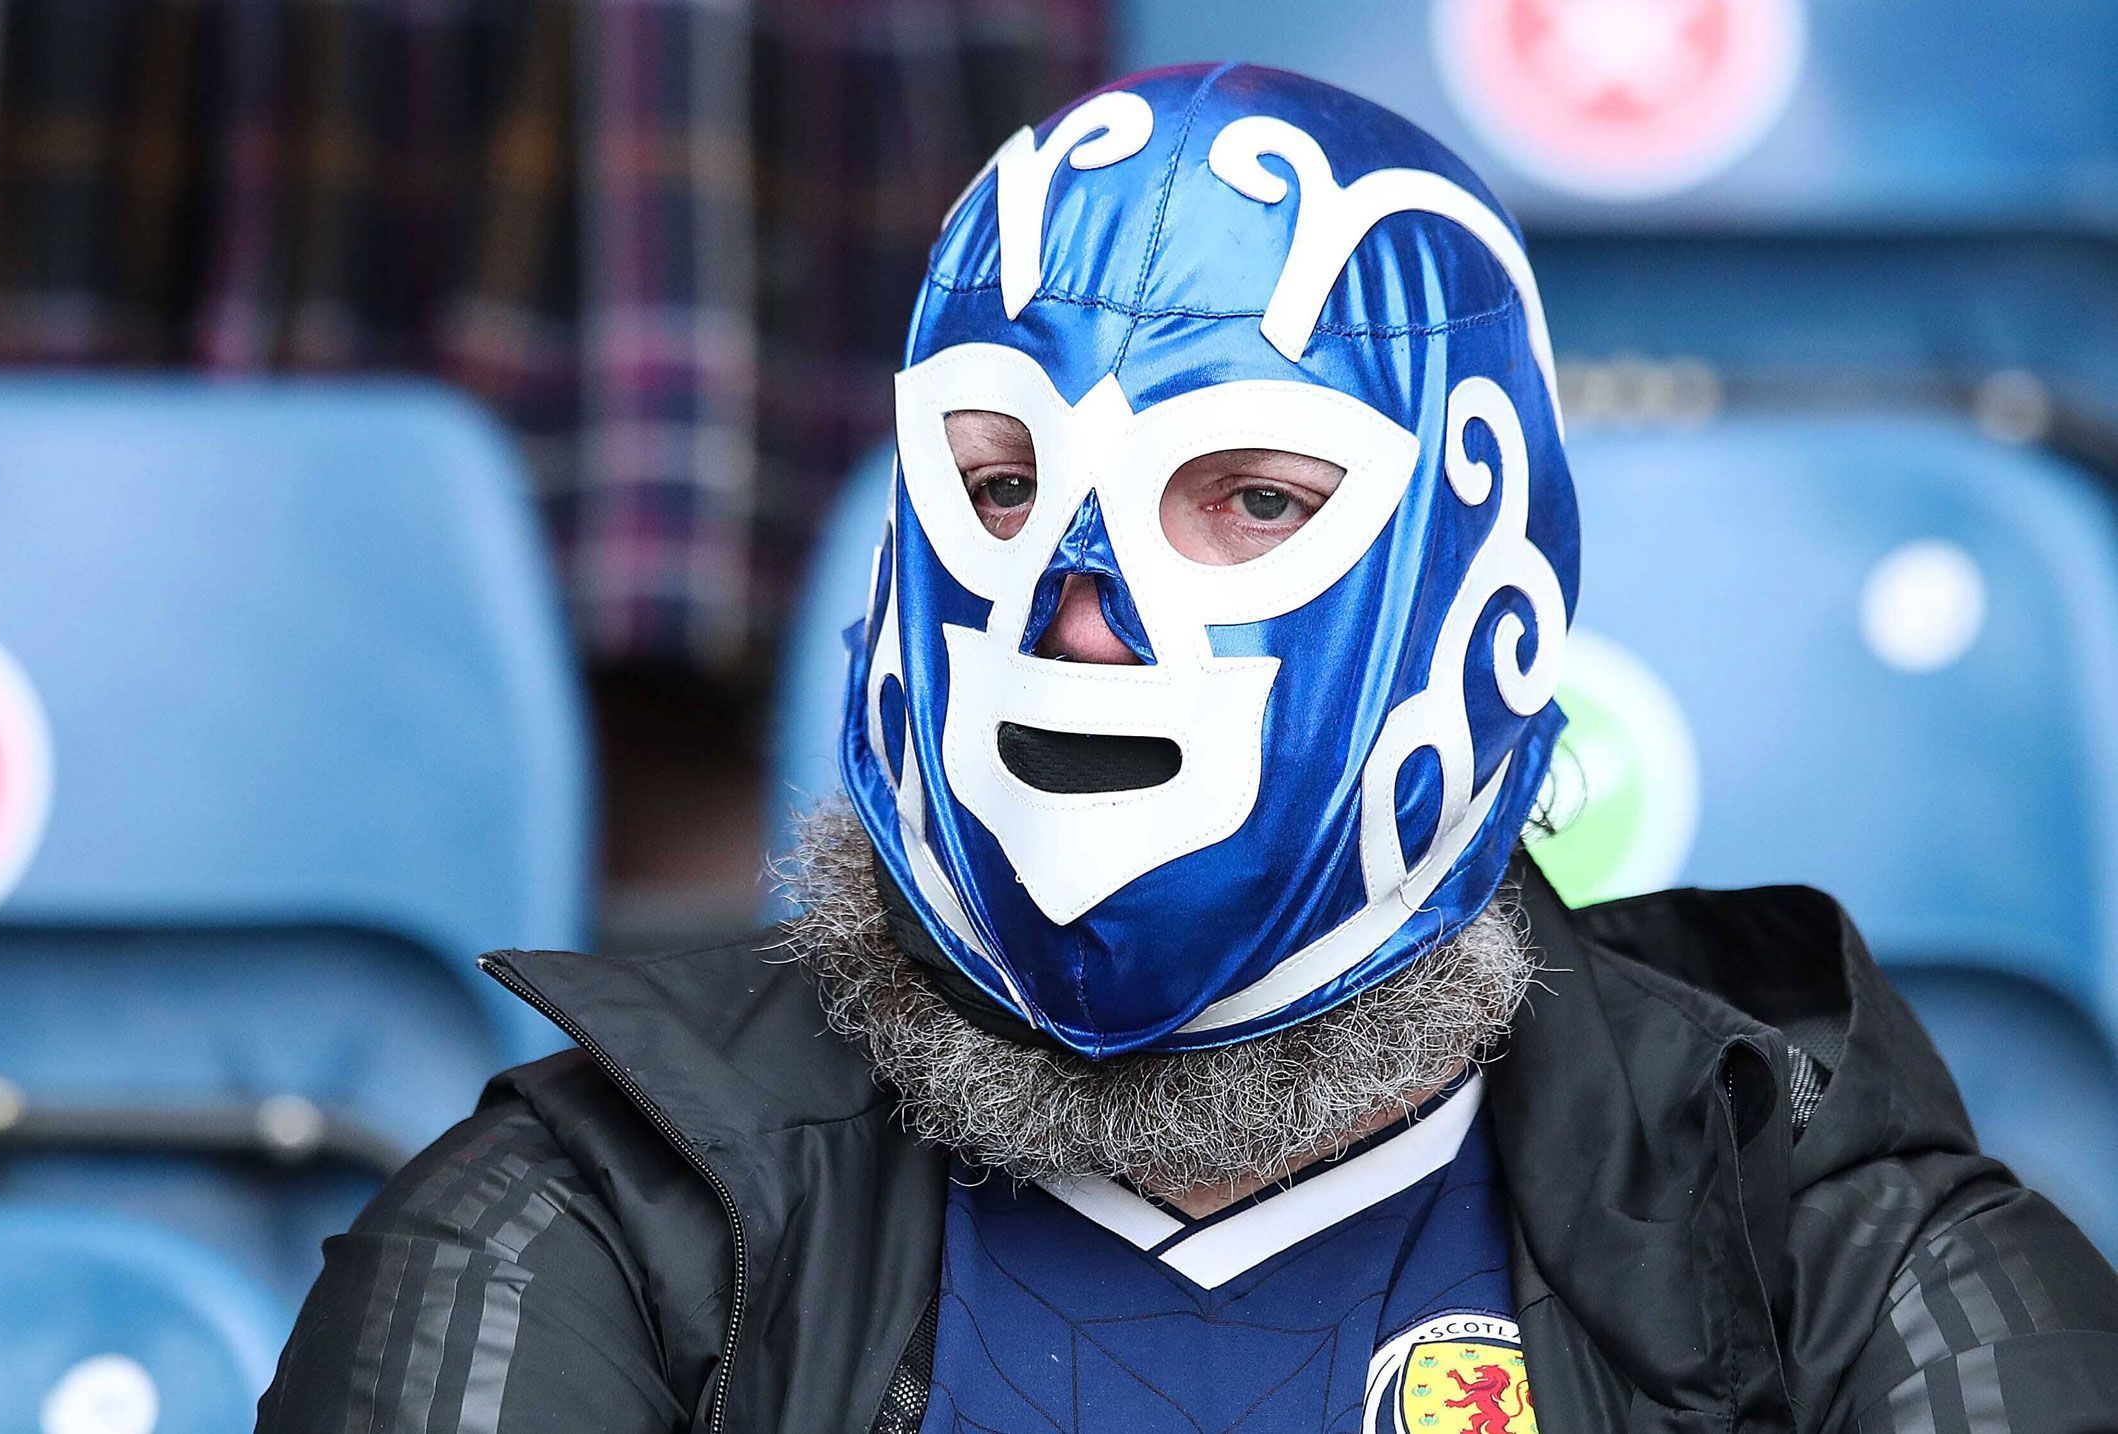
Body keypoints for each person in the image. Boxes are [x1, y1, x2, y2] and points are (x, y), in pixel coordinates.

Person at [257, 65, 2118, 1433]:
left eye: (1243, 496)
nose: (1084, 601)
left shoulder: (1834, 1260)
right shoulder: (572, 1237)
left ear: (1483, 583)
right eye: (1001, 484)